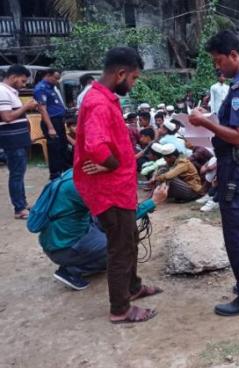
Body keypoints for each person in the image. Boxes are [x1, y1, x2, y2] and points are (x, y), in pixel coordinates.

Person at [188, 30, 239, 316]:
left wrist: (205, 123)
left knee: (237, 231)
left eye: (219, 60)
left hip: (236, 164)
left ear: (234, 55)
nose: (217, 66)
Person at [74, 47, 161, 324]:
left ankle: (133, 287)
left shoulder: (103, 98)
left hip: (120, 188)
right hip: (109, 191)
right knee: (120, 247)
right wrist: (111, 164)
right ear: (121, 73)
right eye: (133, 78)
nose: (133, 84)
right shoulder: (98, 103)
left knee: (130, 240)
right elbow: (96, 146)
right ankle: (120, 309)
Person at [37, 169, 168, 290]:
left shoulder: (75, 174)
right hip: (64, 247)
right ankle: (72, 270)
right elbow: (119, 218)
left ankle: (83, 258)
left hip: (56, 240)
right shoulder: (86, 187)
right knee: (121, 245)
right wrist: (153, 201)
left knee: (107, 226)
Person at [0, 65, 38, 219]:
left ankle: (22, 203)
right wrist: (26, 107)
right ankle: (19, 209)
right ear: (14, 76)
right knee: (16, 174)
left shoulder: (11, 92)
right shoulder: (2, 91)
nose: (23, 84)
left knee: (19, 173)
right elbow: (7, 117)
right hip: (12, 140)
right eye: (22, 81)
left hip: (18, 139)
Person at [34, 68, 69, 179]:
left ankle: (66, 173)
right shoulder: (41, 88)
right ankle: (55, 175)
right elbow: (43, 109)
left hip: (58, 121)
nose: (57, 81)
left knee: (63, 147)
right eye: (56, 78)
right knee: (55, 149)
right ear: (48, 75)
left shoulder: (51, 87)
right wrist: (50, 127)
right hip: (51, 122)